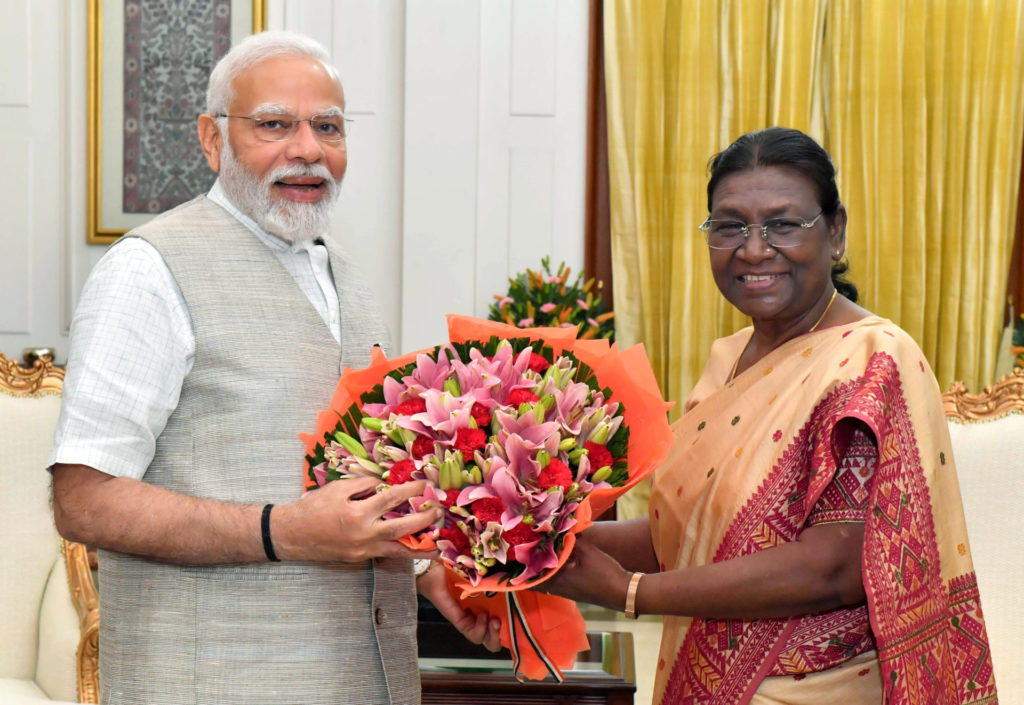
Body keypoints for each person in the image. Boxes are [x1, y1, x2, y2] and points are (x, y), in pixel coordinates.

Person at [49, 30, 498, 705]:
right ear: (211, 138)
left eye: (328, 126)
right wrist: (279, 530)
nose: (309, 148)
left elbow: (363, 481)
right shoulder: (146, 270)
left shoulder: (347, 274)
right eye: (274, 124)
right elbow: (84, 498)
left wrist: (431, 569)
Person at [540, 127, 997, 704]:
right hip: (704, 673)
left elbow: (834, 568)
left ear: (835, 232)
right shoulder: (727, 358)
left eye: (783, 225)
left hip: (817, 689)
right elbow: (688, 537)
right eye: (730, 226)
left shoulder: (872, 359)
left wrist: (632, 593)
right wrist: (543, 541)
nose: (754, 249)